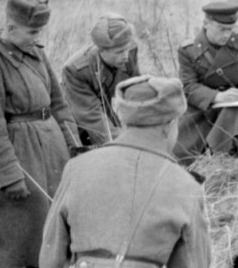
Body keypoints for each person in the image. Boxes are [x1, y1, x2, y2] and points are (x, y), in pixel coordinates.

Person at [39, 75, 212, 268]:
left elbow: (51, 253)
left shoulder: (77, 168)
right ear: (170, 125)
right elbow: (194, 262)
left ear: (123, 120)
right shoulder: (186, 185)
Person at [0, 0, 80, 268]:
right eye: (32, 32)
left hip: (54, 152)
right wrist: (8, 176)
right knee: (19, 237)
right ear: (11, 27)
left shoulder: (37, 54)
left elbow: (58, 103)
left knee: (57, 227)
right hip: (21, 159)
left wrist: (75, 147)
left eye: (39, 32)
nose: (37, 38)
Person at [172, 1, 238, 165]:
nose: (227, 34)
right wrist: (217, 96)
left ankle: (220, 159)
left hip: (236, 103)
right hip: (204, 107)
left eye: (230, 29)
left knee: (232, 119)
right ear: (206, 24)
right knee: (179, 153)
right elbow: (188, 87)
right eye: (222, 29)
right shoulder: (189, 50)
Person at [61, 12, 140, 146]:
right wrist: (125, 143)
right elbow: (92, 117)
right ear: (101, 50)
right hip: (80, 121)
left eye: (126, 49)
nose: (126, 56)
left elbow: (136, 94)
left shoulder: (130, 51)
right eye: (119, 52)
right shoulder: (76, 70)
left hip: (109, 117)